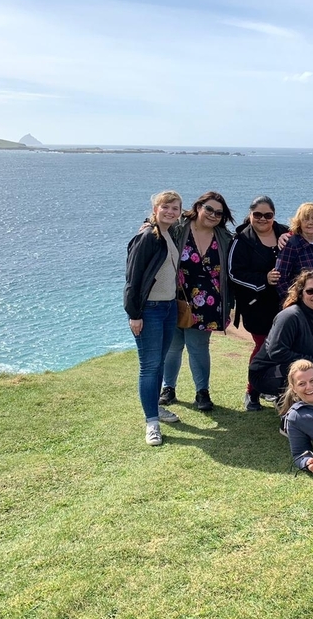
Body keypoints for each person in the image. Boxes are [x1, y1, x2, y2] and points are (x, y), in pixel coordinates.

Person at [160, 191, 234, 412]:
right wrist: (147, 225)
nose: (213, 215)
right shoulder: (179, 228)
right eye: (209, 209)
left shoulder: (224, 237)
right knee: (173, 347)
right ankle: (168, 388)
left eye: (219, 213)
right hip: (175, 298)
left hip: (209, 303)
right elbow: (159, 226)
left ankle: (202, 392)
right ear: (199, 207)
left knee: (198, 347)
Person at [124, 190, 184, 446]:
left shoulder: (168, 233)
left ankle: (155, 409)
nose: (171, 212)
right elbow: (133, 279)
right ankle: (151, 423)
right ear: (156, 208)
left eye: (176, 208)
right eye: (166, 207)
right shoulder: (148, 236)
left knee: (158, 363)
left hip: (168, 308)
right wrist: (134, 314)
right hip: (149, 310)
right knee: (149, 366)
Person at [229, 195, 290, 411]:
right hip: (256, 305)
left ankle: (275, 389)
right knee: (263, 346)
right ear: (250, 215)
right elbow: (234, 273)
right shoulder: (242, 240)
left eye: (268, 215)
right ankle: (251, 392)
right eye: (258, 214)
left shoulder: (285, 232)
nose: (263, 219)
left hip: (285, 303)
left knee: (284, 347)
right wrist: (264, 280)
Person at [248, 269, 313, 407]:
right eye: (310, 291)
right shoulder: (290, 316)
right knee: (306, 375)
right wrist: (311, 364)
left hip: (308, 368)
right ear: (301, 294)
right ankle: (288, 407)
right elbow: (276, 351)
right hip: (267, 372)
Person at [275, 202, 313, 299]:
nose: (311, 222)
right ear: (299, 222)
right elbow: (280, 278)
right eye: (306, 219)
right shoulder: (291, 244)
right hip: (300, 304)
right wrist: (293, 300)